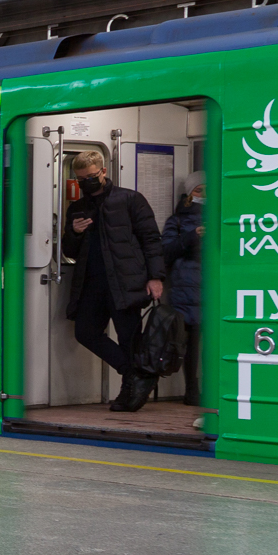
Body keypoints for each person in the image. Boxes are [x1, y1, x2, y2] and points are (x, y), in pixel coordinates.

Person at [61, 150, 165, 412]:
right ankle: (134, 373)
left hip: (126, 281)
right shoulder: (77, 208)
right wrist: (74, 232)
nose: (87, 182)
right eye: (81, 178)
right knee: (85, 333)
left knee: (129, 338)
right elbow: (69, 251)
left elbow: (151, 239)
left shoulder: (130, 199)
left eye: (92, 176)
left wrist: (156, 277)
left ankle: (129, 390)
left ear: (104, 171)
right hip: (92, 283)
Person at [162, 172, 205, 407]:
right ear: (189, 194)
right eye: (199, 190)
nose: (204, 196)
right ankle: (192, 389)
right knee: (191, 343)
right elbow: (166, 252)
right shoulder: (177, 221)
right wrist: (192, 237)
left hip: (211, 287)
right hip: (185, 288)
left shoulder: (223, 217)